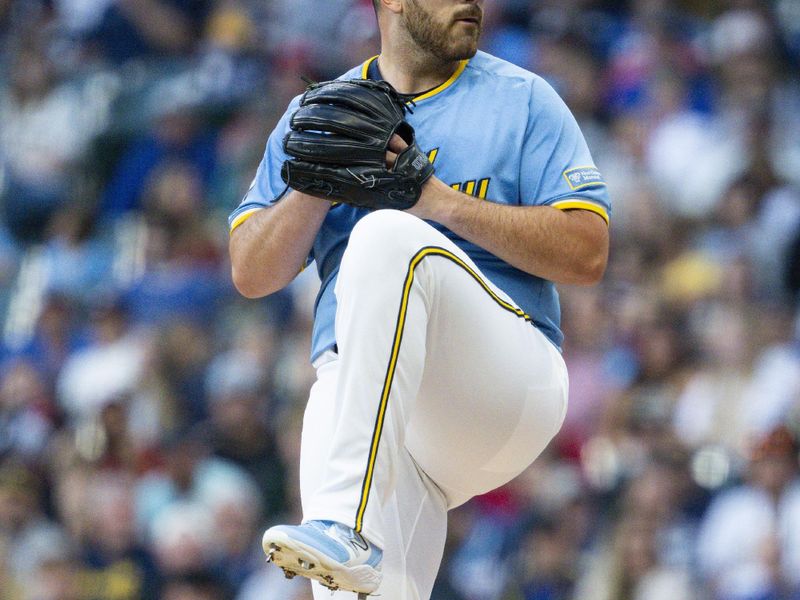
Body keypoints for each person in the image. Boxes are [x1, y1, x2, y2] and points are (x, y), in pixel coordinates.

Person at [228, 1, 610, 598]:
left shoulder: (522, 98)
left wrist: (437, 201)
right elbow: (250, 272)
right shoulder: (321, 111)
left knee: (385, 234)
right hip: (373, 407)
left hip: (501, 380)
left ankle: (349, 523)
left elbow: (588, 253)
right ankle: (348, 530)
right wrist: (311, 187)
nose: (472, 2)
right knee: (346, 578)